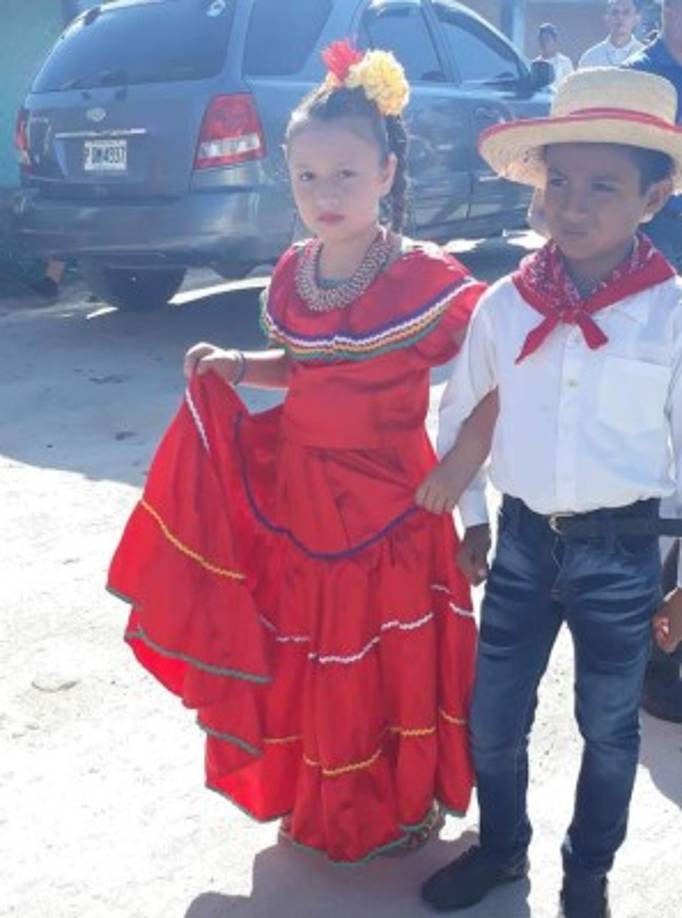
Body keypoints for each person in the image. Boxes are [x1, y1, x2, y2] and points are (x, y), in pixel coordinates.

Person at [107, 42, 495, 864]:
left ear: (389, 172)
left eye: (347, 174)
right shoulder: (292, 272)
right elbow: (301, 368)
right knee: (312, 654)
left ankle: (399, 802)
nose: (326, 194)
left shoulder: (427, 278)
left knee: (388, 655)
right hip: (302, 496)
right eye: (308, 177)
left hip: (393, 502)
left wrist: (461, 474)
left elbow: (504, 375)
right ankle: (326, 794)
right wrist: (236, 366)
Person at [417, 67, 682, 917]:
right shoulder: (503, 305)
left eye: (603, 185)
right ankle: (501, 852)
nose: (573, 205)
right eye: (558, 181)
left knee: (609, 730)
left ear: (653, 197)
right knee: (493, 719)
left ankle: (587, 875)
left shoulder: (672, 315)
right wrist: (473, 518)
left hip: (627, 552)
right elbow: (461, 417)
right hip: (524, 545)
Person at [578, 0, 643, 68]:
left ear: (637, 19)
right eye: (614, 12)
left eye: (626, 12)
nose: (620, 17)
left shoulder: (646, 57)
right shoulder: (590, 58)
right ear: (606, 18)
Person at [537, 23, 575, 89]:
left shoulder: (565, 62)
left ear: (555, 42)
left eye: (547, 39)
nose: (543, 43)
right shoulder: (535, 64)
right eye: (541, 39)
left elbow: (571, 86)